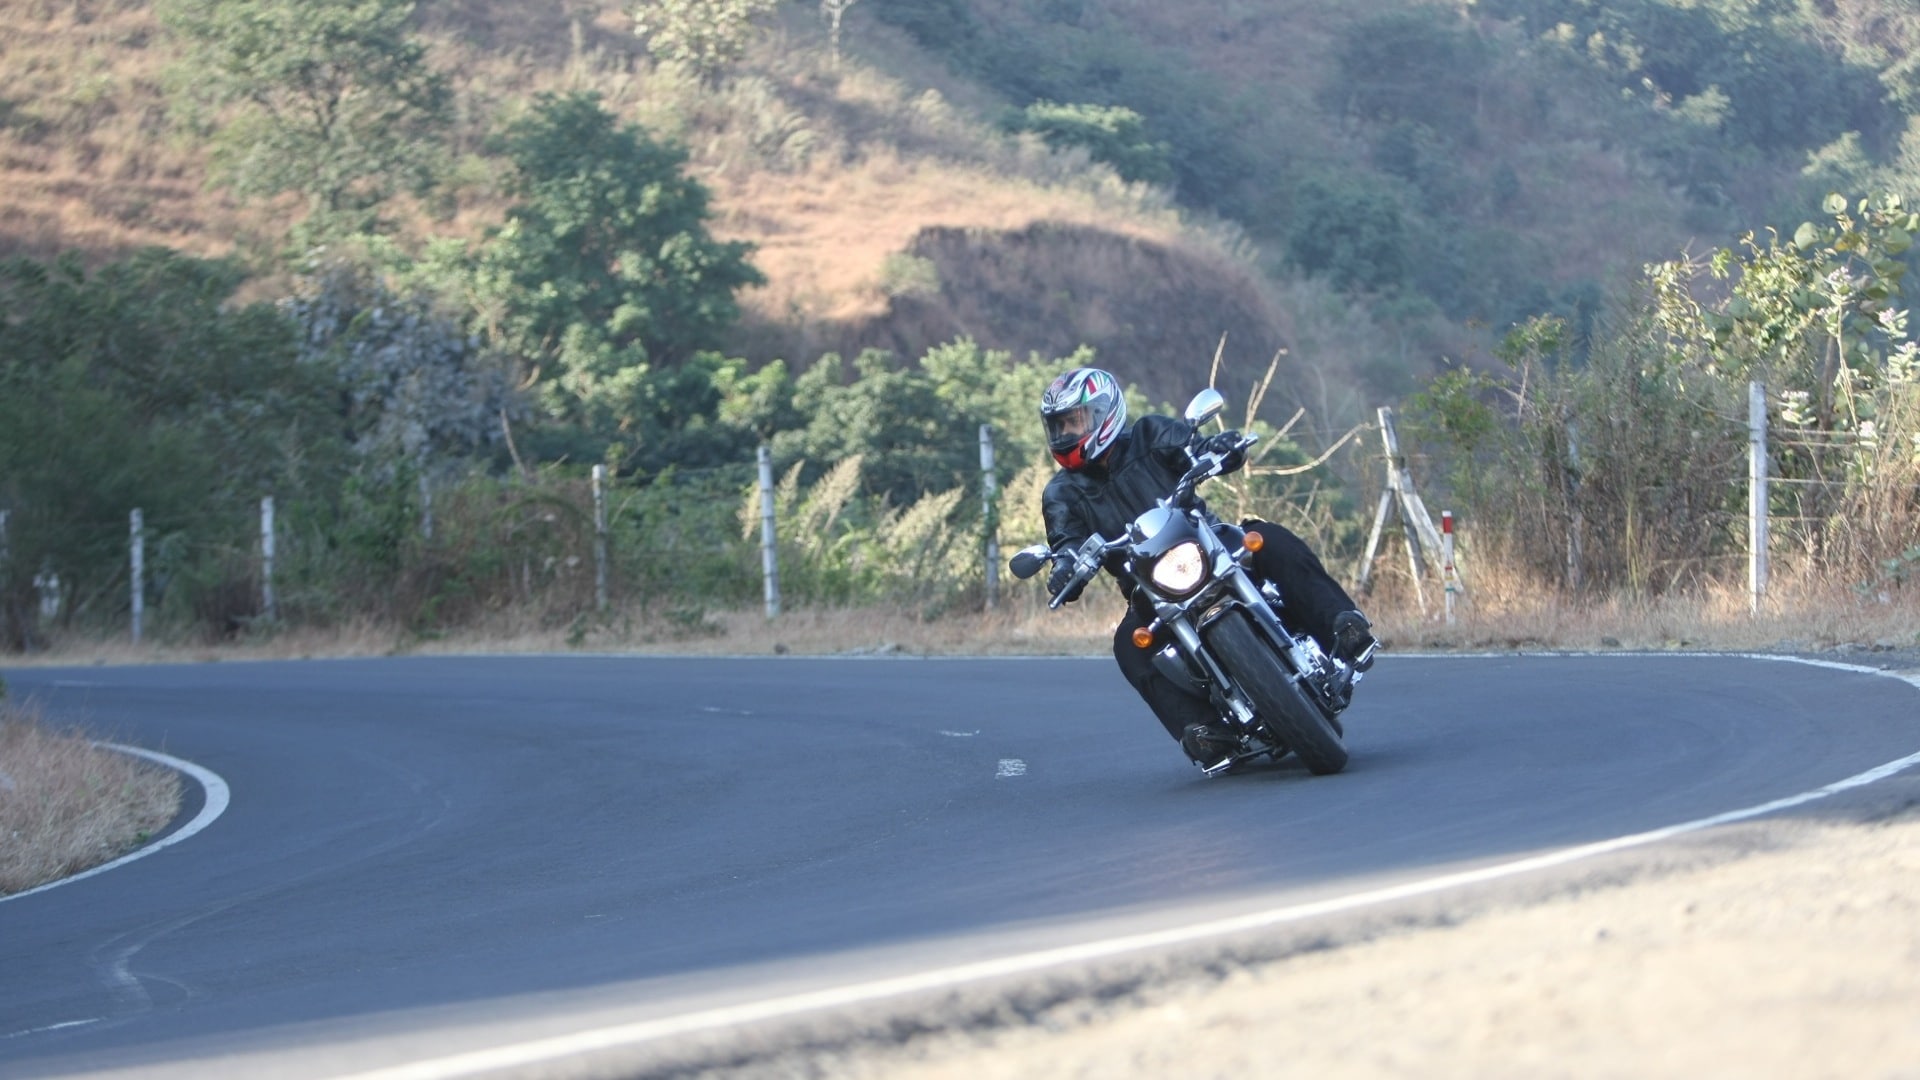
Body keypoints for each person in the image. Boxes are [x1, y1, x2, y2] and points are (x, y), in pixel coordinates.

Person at [1037, 366, 1377, 767]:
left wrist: (1218, 447)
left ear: (1103, 412)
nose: (1066, 433)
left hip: (1208, 543)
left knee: (1267, 538)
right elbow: (1065, 539)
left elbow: (1190, 445)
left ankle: (1343, 625)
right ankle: (1201, 730)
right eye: (1059, 425)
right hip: (1150, 587)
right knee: (1128, 644)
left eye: (1074, 421)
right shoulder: (1061, 492)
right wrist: (1065, 565)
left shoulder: (1149, 434)